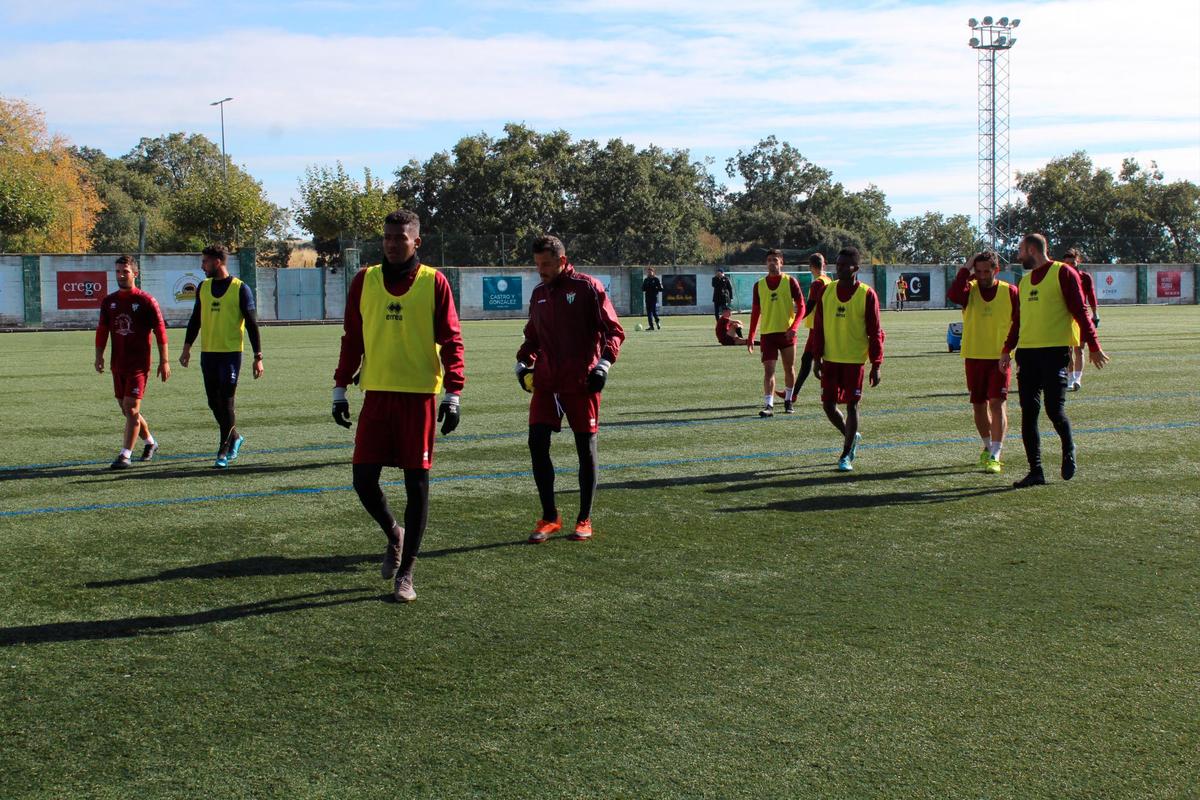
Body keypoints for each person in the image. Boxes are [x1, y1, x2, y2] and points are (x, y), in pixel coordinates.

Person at [331, 209, 465, 603]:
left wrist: (453, 394)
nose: (391, 243)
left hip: (419, 399)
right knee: (363, 479)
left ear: (416, 242)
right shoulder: (364, 280)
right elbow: (352, 338)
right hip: (376, 396)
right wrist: (340, 387)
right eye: (387, 237)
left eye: (400, 238)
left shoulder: (434, 283)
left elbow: (453, 341)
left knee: (416, 485)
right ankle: (394, 534)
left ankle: (406, 573)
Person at [517, 235, 625, 544]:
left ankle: (584, 518)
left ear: (563, 261)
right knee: (536, 443)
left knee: (585, 448)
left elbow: (614, 331)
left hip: (582, 381)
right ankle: (550, 516)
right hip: (547, 382)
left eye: (547, 264)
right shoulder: (538, 293)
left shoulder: (588, 287)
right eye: (538, 265)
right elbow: (532, 338)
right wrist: (522, 362)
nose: (542, 270)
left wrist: (603, 365)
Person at [1002, 233, 1110, 488]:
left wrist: (1093, 344)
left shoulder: (1063, 273)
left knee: (1054, 410)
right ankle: (1035, 470)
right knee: (1029, 413)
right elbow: (1018, 321)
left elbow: (1080, 311)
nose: (1018, 256)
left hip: (1054, 353)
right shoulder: (1025, 282)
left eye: (1020, 250)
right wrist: (1007, 349)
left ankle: (1068, 448)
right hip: (1027, 355)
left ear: (1031, 250)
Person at [179, 244, 264, 468]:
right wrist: (187, 347)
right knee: (212, 402)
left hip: (231, 355)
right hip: (208, 354)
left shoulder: (240, 288)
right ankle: (235, 436)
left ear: (218, 261)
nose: (202, 265)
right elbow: (196, 319)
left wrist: (258, 356)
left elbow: (252, 324)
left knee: (226, 402)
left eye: (205, 261)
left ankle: (224, 448)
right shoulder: (203, 288)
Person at [94, 255, 170, 469]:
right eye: (117, 271)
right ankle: (151, 442)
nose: (120, 275)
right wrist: (99, 355)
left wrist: (164, 361)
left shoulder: (146, 300)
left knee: (132, 408)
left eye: (125, 271)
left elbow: (160, 330)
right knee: (126, 409)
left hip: (138, 364)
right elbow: (102, 330)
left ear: (135, 274)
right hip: (117, 363)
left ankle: (125, 455)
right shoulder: (109, 301)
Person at [811, 247, 884, 471]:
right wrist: (817, 358)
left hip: (854, 360)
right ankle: (851, 437)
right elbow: (819, 327)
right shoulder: (827, 291)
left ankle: (845, 455)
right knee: (828, 406)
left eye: (845, 264)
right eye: (838, 264)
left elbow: (875, 331)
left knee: (852, 405)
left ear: (856, 268)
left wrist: (876, 364)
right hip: (831, 359)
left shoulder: (867, 294)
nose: (839, 267)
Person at [948, 251, 1019, 474]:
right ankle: (988, 447)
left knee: (996, 403)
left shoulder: (1010, 292)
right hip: (973, 355)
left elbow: (1018, 324)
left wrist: (1008, 350)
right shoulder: (969, 289)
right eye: (977, 271)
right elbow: (954, 294)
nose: (981, 275)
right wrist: (966, 267)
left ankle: (996, 453)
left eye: (986, 271)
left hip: (999, 358)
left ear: (996, 270)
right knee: (978, 405)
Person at [746, 249, 804, 416]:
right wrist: (751, 336)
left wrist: (794, 328)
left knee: (789, 368)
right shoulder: (759, 285)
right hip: (768, 334)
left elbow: (802, 307)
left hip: (787, 333)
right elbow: (755, 312)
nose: (772, 263)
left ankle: (788, 400)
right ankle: (769, 405)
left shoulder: (791, 281)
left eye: (775, 260)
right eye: (769, 260)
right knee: (768, 370)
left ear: (781, 262)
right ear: (766, 263)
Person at [794, 253, 832, 396]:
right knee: (814, 359)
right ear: (824, 264)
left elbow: (810, 305)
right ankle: (793, 394)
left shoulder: (817, 283)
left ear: (811, 267)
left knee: (808, 360)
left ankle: (793, 394)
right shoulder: (828, 280)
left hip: (817, 328)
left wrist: (796, 320)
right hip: (826, 325)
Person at [1061, 248, 1099, 391]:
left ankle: (1077, 378)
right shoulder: (1060, 278)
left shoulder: (1085, 277)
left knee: (1079, 348)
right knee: (1068, 350)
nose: (1071, 266)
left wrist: (1095, 313)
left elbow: (1091, 296)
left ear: (1078, 262)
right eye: (1067, 263)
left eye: (1073, 263)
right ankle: (1070, 378)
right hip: (1065, 316)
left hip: (1080, 316)